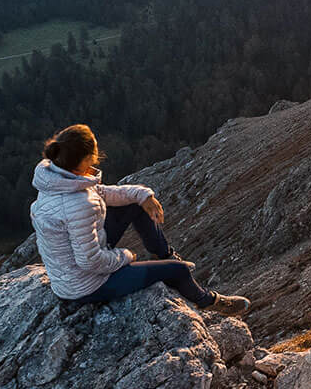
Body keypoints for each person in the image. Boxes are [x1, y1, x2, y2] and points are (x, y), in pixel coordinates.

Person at [30, 123, 249, 314]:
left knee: (135, 205)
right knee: (178, 271)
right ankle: (208, 300)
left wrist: (143, 196)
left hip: (73, 269)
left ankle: (163, 254)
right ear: (84, 159)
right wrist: (125, 256)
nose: (97, 159)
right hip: (87, 285)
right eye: (93, 155)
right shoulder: (78, 204)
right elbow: (90, 262)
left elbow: (105, 193)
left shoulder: (59, 177)